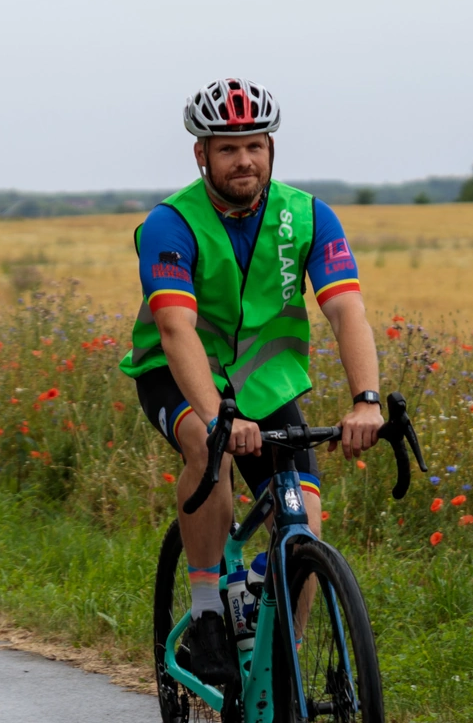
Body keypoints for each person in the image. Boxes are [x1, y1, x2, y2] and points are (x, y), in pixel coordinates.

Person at [119, 77, 383, 684]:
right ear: (202, 155)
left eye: (255, 145)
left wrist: (365, 400)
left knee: (304, 524)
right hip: (177, 376)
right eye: (228, 147)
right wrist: (216, 417)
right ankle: (209, 611)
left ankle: (280, 661)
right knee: (205, 450)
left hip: (266, 387)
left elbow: (347, 310)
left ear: (271, 149)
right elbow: (177, 328)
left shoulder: (309, 216)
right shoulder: (170, 224)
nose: (244, 159)